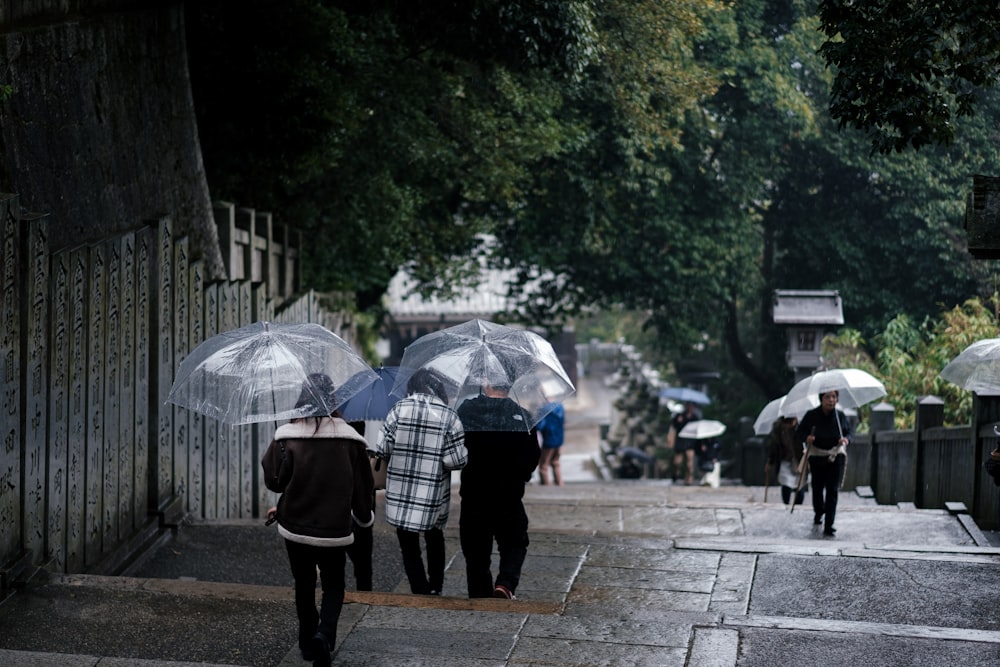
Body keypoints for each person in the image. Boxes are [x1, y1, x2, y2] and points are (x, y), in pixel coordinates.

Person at [261, 373, 375, 667]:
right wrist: (363, 519)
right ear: (333, 400)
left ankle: (306, 641)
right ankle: (324, 634)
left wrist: (277, 446)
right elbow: (364, 488)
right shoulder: (350, 439)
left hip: (295, 526)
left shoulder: (287, 435)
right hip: (335, 529)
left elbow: (274, 482)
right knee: (334, 585)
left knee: (304, 583)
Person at [375, 369, 467, 596]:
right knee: (435, 538)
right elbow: (455, 461)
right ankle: (436, 586)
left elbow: (382, 449)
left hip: (401, 493)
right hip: (433, 494)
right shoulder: (449, 416)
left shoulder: (398, 410)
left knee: (409, 546)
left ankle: (420, 589)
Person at [457, 381, 540, 600]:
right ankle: (505, 583)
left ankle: (479, 594)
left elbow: (455, 447)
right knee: (515, 542)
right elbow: (531, 459)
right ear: (510, 384)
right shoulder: (522, 415)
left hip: (474, 493)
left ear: (485, 383)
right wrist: (520, 475)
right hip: (509, 494)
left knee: (475, 551)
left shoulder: (467, 410)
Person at [796, 390, 851, 537]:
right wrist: (807, 438)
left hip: (834, 456)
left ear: (837, 399)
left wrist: (845, 440)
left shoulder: (840, 417)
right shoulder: (811, 415)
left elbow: (848, 433)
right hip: (817, 455)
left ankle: (829, 524)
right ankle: (819, 512)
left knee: (832, 490)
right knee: (818, 487)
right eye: (827, 397)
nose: (831, 400)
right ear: (822, 399)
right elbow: (800, 432)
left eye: (834, 397)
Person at [766, 416, 807, 506]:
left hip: (799, 460)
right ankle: (786, 503)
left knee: (799, 483)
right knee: (785, 481)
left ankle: (798, 504)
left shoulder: (802, 427)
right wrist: (770, 461)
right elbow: (774, 447)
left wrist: (806, 449)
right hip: (785, 459)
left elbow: (808, 441)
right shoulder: (778, 430)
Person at [666, 402, 702, 484]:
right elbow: (673, 426)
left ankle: (689, 479)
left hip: (690, 442)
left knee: (690, 462)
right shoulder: (680, 416)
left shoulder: (695, 418)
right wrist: (678, 421)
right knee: (677, 462)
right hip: (680, 441)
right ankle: (675, 475)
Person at [536, 402, 566, 485]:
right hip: (559, 440)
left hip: (548, 440)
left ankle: (547, 487)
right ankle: (560, 484)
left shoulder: (544, 410)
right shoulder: (560, 406)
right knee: (556, 463)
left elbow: (540, 426)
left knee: (543, 466)